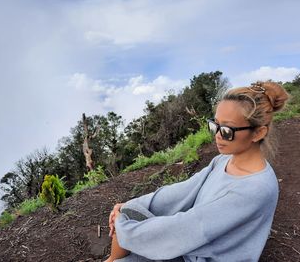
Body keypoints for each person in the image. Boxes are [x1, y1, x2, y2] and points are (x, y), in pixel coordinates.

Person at [105, 81, 289, 262]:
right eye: (214, 125)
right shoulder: (223, 161)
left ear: (258, 133)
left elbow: (188, 228)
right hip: (193, 245)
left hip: (202, 254)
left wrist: (125, 228)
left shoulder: (255, 189)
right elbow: (181, 192)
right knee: (127, 212)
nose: (217, 135)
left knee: (125, 230)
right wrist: (128, 206)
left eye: (226, 130)